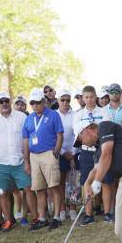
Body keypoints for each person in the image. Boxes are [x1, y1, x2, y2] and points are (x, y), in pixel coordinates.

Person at [0, 91, 39, 231]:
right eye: (1, 101)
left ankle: (35, 218)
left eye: (6, 101)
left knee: (28, 189)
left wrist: (27, 160)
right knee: (3, 193)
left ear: (10, 102)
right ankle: (9, 220)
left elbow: (27, 139)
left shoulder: (21, 117)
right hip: (0, 163)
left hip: (20, 161)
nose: (4, 104)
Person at [23, 88, 64, 230]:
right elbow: (25, 140)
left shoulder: (53, 115)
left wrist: (56, 152)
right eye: (32, 103)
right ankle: (41, 218)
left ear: (44, 101)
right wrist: (27, 161)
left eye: (37, 102)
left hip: (48, 153)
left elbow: (60, 134)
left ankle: (57, 217)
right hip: (34, 156)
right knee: (39, 189)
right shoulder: (29, 118)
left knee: (53, 186)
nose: (35, 105)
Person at [73, 85, 112, 226]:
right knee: (86, 182)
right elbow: (77, 135)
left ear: (96, 97)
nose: (89, 100)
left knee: (106, 181)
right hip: (86, 152)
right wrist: (89, 133)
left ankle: (107, 213)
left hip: (102, 150)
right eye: (86, 97)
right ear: (83, 98)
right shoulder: (78, 115)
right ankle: (89, 215)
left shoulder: (104, 112)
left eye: (91, 97)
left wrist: (92, 130)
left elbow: (106, 129)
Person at [56, 88, 76, 223]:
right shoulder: (53, 115)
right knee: (61, 182)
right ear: (58, 100)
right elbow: (54, 136)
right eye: (62, 100)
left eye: (67, 100)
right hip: (60, 153)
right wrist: (63, 152)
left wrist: (73, 153)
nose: (65, 102)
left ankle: (73, 208)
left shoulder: (75, 114)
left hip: (74, 153)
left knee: (73, 183)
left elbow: (77, 134)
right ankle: (62, 209)